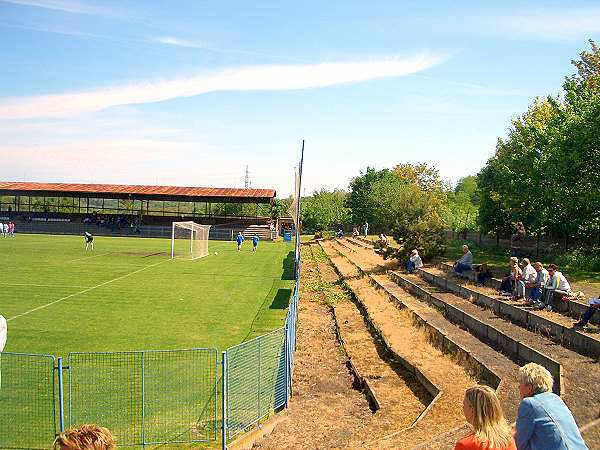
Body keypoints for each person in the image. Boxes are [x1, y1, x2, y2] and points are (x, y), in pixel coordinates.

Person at [515, 363, 587, 450]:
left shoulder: (529, 404)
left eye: (520, 385)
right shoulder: (556, 399)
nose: (519, 387)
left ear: (529, 388)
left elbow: (519, 443)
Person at [454, 385, 516, 450]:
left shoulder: (465, 445)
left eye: (464, 405)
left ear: (472, 410)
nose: (463, 408)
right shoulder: (508, 440)